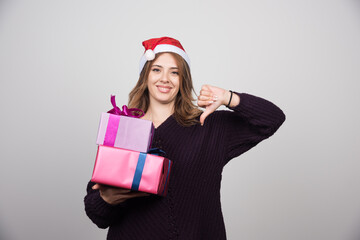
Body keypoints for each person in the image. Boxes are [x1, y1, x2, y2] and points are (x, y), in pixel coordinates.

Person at [84, 36, 286, 240]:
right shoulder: (123, 128)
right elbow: (97, 215)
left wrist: (228, 97)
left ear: (183, 80)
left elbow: (272, 118)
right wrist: (106, 199)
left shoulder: (208, 126)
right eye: (156, 69)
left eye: (175, 72)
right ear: (144, 76)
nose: (165, 78)